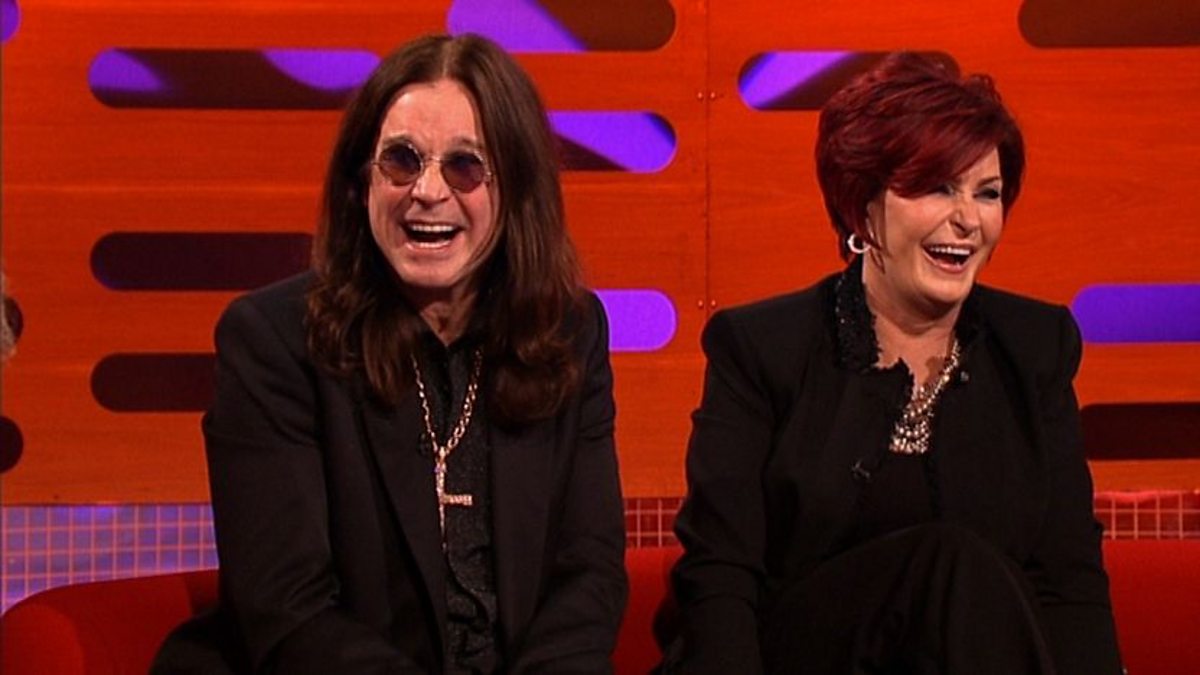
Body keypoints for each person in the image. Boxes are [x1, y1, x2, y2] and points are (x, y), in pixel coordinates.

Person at [155, 33, 626, 674]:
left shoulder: (567, 331)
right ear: (362, 183)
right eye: (401, 161)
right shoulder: (274, 341)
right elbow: (288, 609)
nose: (427, 191)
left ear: (516, 190)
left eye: (464, 166)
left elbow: (588, 576)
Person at [667, 53, 1122, 674]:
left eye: (987, 194)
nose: (968, 220)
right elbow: (720, 576)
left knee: (968, 574)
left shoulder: (1035, 348)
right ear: (862, 206)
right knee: (948, 560)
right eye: (938, 188)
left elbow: (1068, 579)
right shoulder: (762, 349)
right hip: (795, 661)